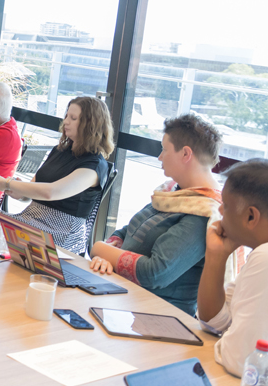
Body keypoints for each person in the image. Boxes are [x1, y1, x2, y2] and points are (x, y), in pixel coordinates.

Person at [89, 114, 222, 314]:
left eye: (165, 149)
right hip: (126, 300)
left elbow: (155, 273)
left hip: (158, 316)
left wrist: (100, 248)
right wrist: (106, 257)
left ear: (186, 154)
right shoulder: (174, 192)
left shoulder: (203, 213)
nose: (160, 157)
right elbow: (127, 231)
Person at [0, 96, 114, 255]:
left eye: (73, 118)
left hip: (62, 233)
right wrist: (19, 192)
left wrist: (8, 184)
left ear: (91, 125)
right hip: (32, 218)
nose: (66, 122)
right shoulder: (60, 150)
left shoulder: (94, 166)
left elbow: (51, 192)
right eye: (67, 116)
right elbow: (32, 192)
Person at [197, 159, 268, 377]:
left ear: (250, 216)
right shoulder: (260, 254)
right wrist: (216, 257)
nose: (220, 210)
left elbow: (243, 361)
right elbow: (216, 323)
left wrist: (227, 341)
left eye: (225, 205)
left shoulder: (264, 258)